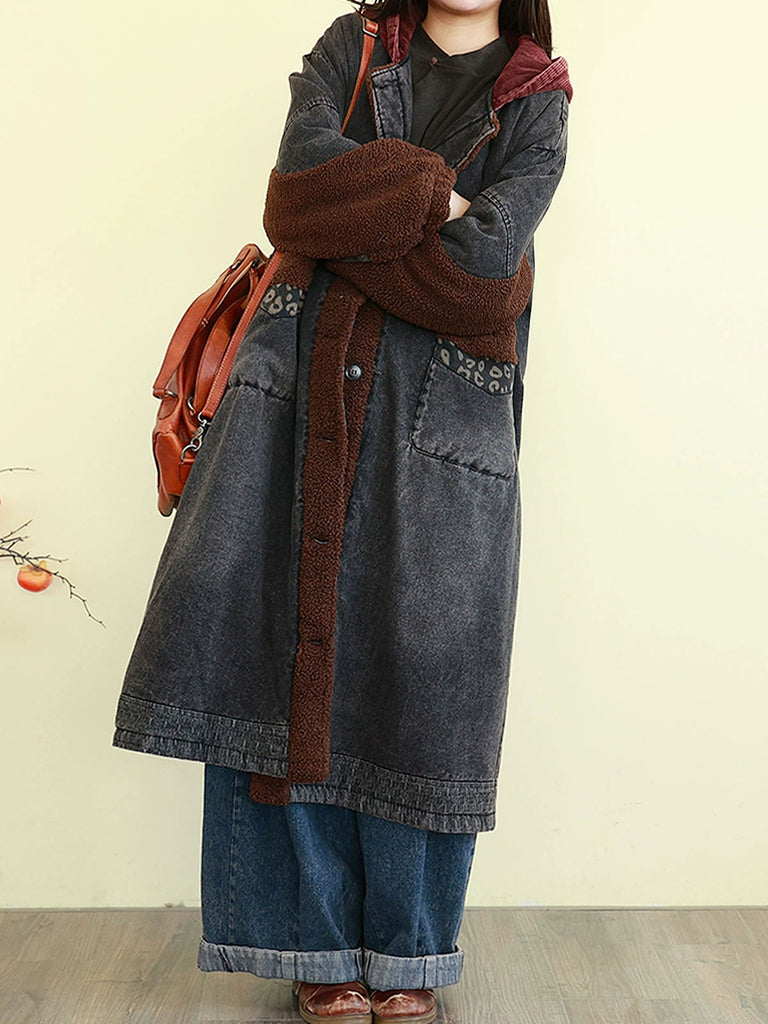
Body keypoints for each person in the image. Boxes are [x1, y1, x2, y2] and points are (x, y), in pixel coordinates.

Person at [112, 0, 572, 1021]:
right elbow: (295, 202)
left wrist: (360, 217)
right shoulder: (353, 46)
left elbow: (487, 272)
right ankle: (313, 946)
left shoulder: (537, 92)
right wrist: (437, 195)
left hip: (441, 415)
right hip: (298, 397)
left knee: (423, 681)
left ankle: (406, 957)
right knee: (286, 654)